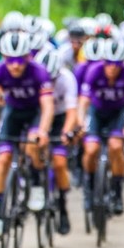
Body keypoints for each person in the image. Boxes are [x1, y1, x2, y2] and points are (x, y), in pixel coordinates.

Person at [0, 31, 54, 239]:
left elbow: (47, 106)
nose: (15, 65)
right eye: (10, 60)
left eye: (20, 60)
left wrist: (43, 130)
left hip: (34, 114)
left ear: (28, 57)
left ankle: (38, 184)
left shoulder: (39, 72)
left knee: (32, 145)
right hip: (13, 114)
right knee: (3, 160)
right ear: (3, 57)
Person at [77, 38, 124, 216]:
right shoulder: (94, 71)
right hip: (97, 113)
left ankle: (117, 192)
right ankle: (88, 188)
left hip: (117, 115)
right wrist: (81, 123)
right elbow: (83, 102)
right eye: (109, 63)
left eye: (117, 64)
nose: (112, 67)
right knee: (91, 149)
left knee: (116, 146)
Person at [35, 49, 78, 234]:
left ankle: (62, 205)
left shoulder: (67, 79)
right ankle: (33, 182)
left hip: (60, 118)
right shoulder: (35, 76)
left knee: (59, 163)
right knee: (30, 147)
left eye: (52, 81)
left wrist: (67, 132)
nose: (49, 85)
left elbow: (72, 112)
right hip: (39, 115)